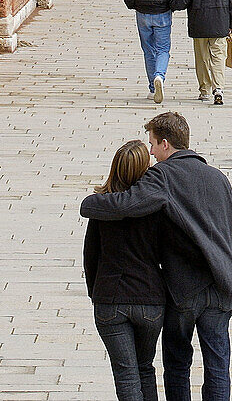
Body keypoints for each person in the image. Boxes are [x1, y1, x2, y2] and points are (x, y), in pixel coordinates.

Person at [80, 111, 232, 401]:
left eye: (153, 145)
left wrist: (92, 203)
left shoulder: (163, 176)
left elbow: (127, 205)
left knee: (178, 363)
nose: (153, 153)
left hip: (185, 290)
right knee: (218, 364)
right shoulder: (218, 178)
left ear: (166, 144)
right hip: (223, 286)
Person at [83, 140, 165, 401]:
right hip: (149, 299)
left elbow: (91, 256)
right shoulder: (156, 207)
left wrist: (96, 293)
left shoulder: (102, 208)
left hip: (111, 299)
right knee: (145, 369)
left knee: (126, 375)